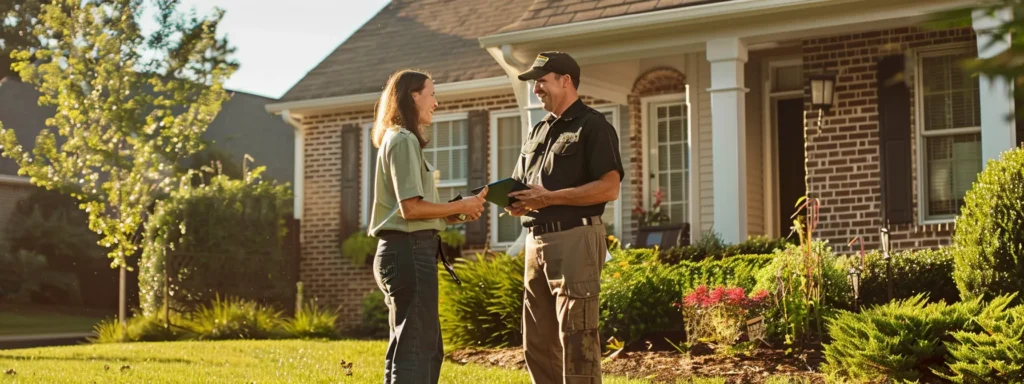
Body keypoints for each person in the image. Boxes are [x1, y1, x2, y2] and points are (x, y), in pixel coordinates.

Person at [507, 52, 624, 384]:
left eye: (542, 81)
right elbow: (525, 184)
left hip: (576, 239)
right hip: (536, 240)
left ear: (566, 81)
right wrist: (518, 201)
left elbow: (609, 187)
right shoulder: (538, 130)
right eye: (534, 83)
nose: (536, 89)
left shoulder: (594, 125)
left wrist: (549, 198)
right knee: (537, 342)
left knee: (578, 337)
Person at [367, 69, 488, 384]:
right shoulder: (403, 139)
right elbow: (410, 209)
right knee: (417, 348)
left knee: (417, 346)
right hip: (408, 251)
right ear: (413, 95)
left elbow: (413, 209)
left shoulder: (397, 139)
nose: (436, 102)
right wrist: (460, 206)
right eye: (432, 94)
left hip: (404, 251)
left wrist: (455, 214)